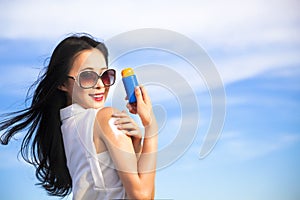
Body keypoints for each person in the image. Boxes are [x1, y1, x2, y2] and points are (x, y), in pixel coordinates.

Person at [0, 34, 158, 200]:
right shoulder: (106, 118)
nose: (100, 85)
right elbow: (142, 196)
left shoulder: (66, 129)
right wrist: (151, 127)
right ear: (62, 83)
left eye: (105, 76)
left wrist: (136, 145)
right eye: (87, 76)